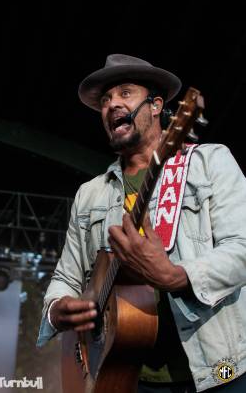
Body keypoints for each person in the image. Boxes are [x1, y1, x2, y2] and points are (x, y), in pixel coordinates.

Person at [37, 54, 246, 392]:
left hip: (221, 371)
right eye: (105, 100)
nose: (111, 104)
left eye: (125, 93)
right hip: (126, 373)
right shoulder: (90, 195)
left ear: (156, 106)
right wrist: (57, 310)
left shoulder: (210, 163)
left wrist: (176, 276)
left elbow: (242, 249)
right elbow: (66, 276)